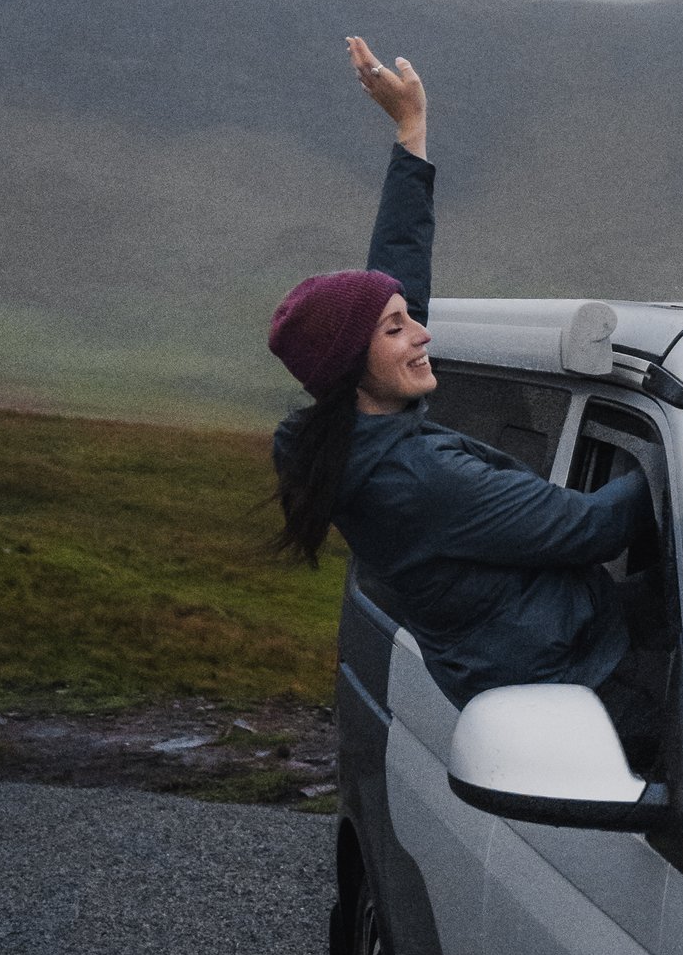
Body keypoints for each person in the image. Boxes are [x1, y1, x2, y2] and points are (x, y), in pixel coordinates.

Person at [269, 39, 659, 731]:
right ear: (351, 365)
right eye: (396, 331)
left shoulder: (336, 434)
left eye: (405, 323)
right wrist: (679, 454)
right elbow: (589, 526)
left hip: (531, 633)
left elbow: (395, 282)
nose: (421, 333)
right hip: (576, 675)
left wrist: (409, 132)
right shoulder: (420, 477)